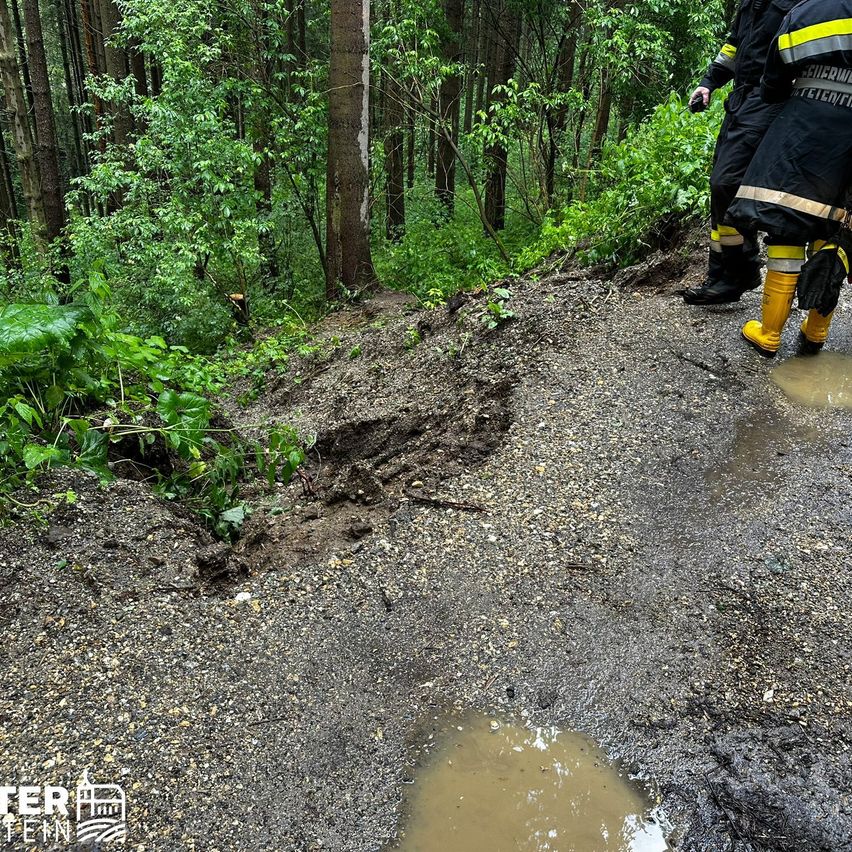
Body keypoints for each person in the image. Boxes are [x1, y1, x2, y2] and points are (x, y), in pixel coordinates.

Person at [726, 0, 852, 356]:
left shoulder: (809, 12)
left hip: (807, 130)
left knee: (788, 223)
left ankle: (769, 333)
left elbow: (773, 83)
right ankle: (815, 333)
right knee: (836, 232)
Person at [683, 0, 804, 306]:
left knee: (726, 182)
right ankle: (720, 274)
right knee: (718, 185)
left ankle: (742, 270)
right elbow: (734, 47)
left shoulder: (794, 4)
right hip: (740, 99)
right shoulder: (750, 4)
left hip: (769, 100)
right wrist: (709, 83)